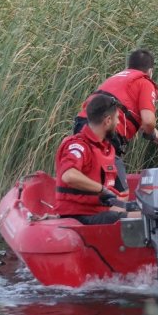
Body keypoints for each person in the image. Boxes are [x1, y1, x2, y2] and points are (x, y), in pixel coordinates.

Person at [73, 49, 158, 193]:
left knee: (94, 183)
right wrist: (150, 134)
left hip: (82, 126)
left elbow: (144, 125)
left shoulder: (116, 79)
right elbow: (148, 122)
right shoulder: (144, 82)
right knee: (121, 194)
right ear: (150, 71)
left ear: (129, 66)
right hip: (105, 134)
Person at [55, 94, 140, 225]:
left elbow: (115, 199)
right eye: (117, 118)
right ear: (107, 121)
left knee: (146, 213)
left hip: (99, 213)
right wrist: (102, 190)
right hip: (80, 217)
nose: (118, 123)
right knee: (144, 218)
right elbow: (69, 176)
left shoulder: (106, 149)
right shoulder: (78, 146)